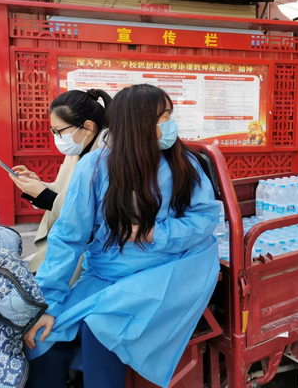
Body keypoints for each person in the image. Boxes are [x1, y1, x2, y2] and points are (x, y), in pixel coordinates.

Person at [24, 84, 219, 388]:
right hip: (109, 272)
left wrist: (155, 233)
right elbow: (68, 237)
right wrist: (49, 303)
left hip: (169, 269)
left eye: (169, 115)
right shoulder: (94, 167)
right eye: (163, 116)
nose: (170, 123)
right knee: (45, 339)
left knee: (101, 329)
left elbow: (205, 219)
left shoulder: (184, 165)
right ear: (138, 123)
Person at [10, 89, 111, 280]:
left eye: (59, 131)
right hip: (62, 242)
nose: (56, 137)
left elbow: (97, 216)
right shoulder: (75, 151)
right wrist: (37, 186)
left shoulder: (108, 158)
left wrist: (46, 197)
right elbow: (63, 190)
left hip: (85, 253)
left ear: (88, 127)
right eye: (53, 131)